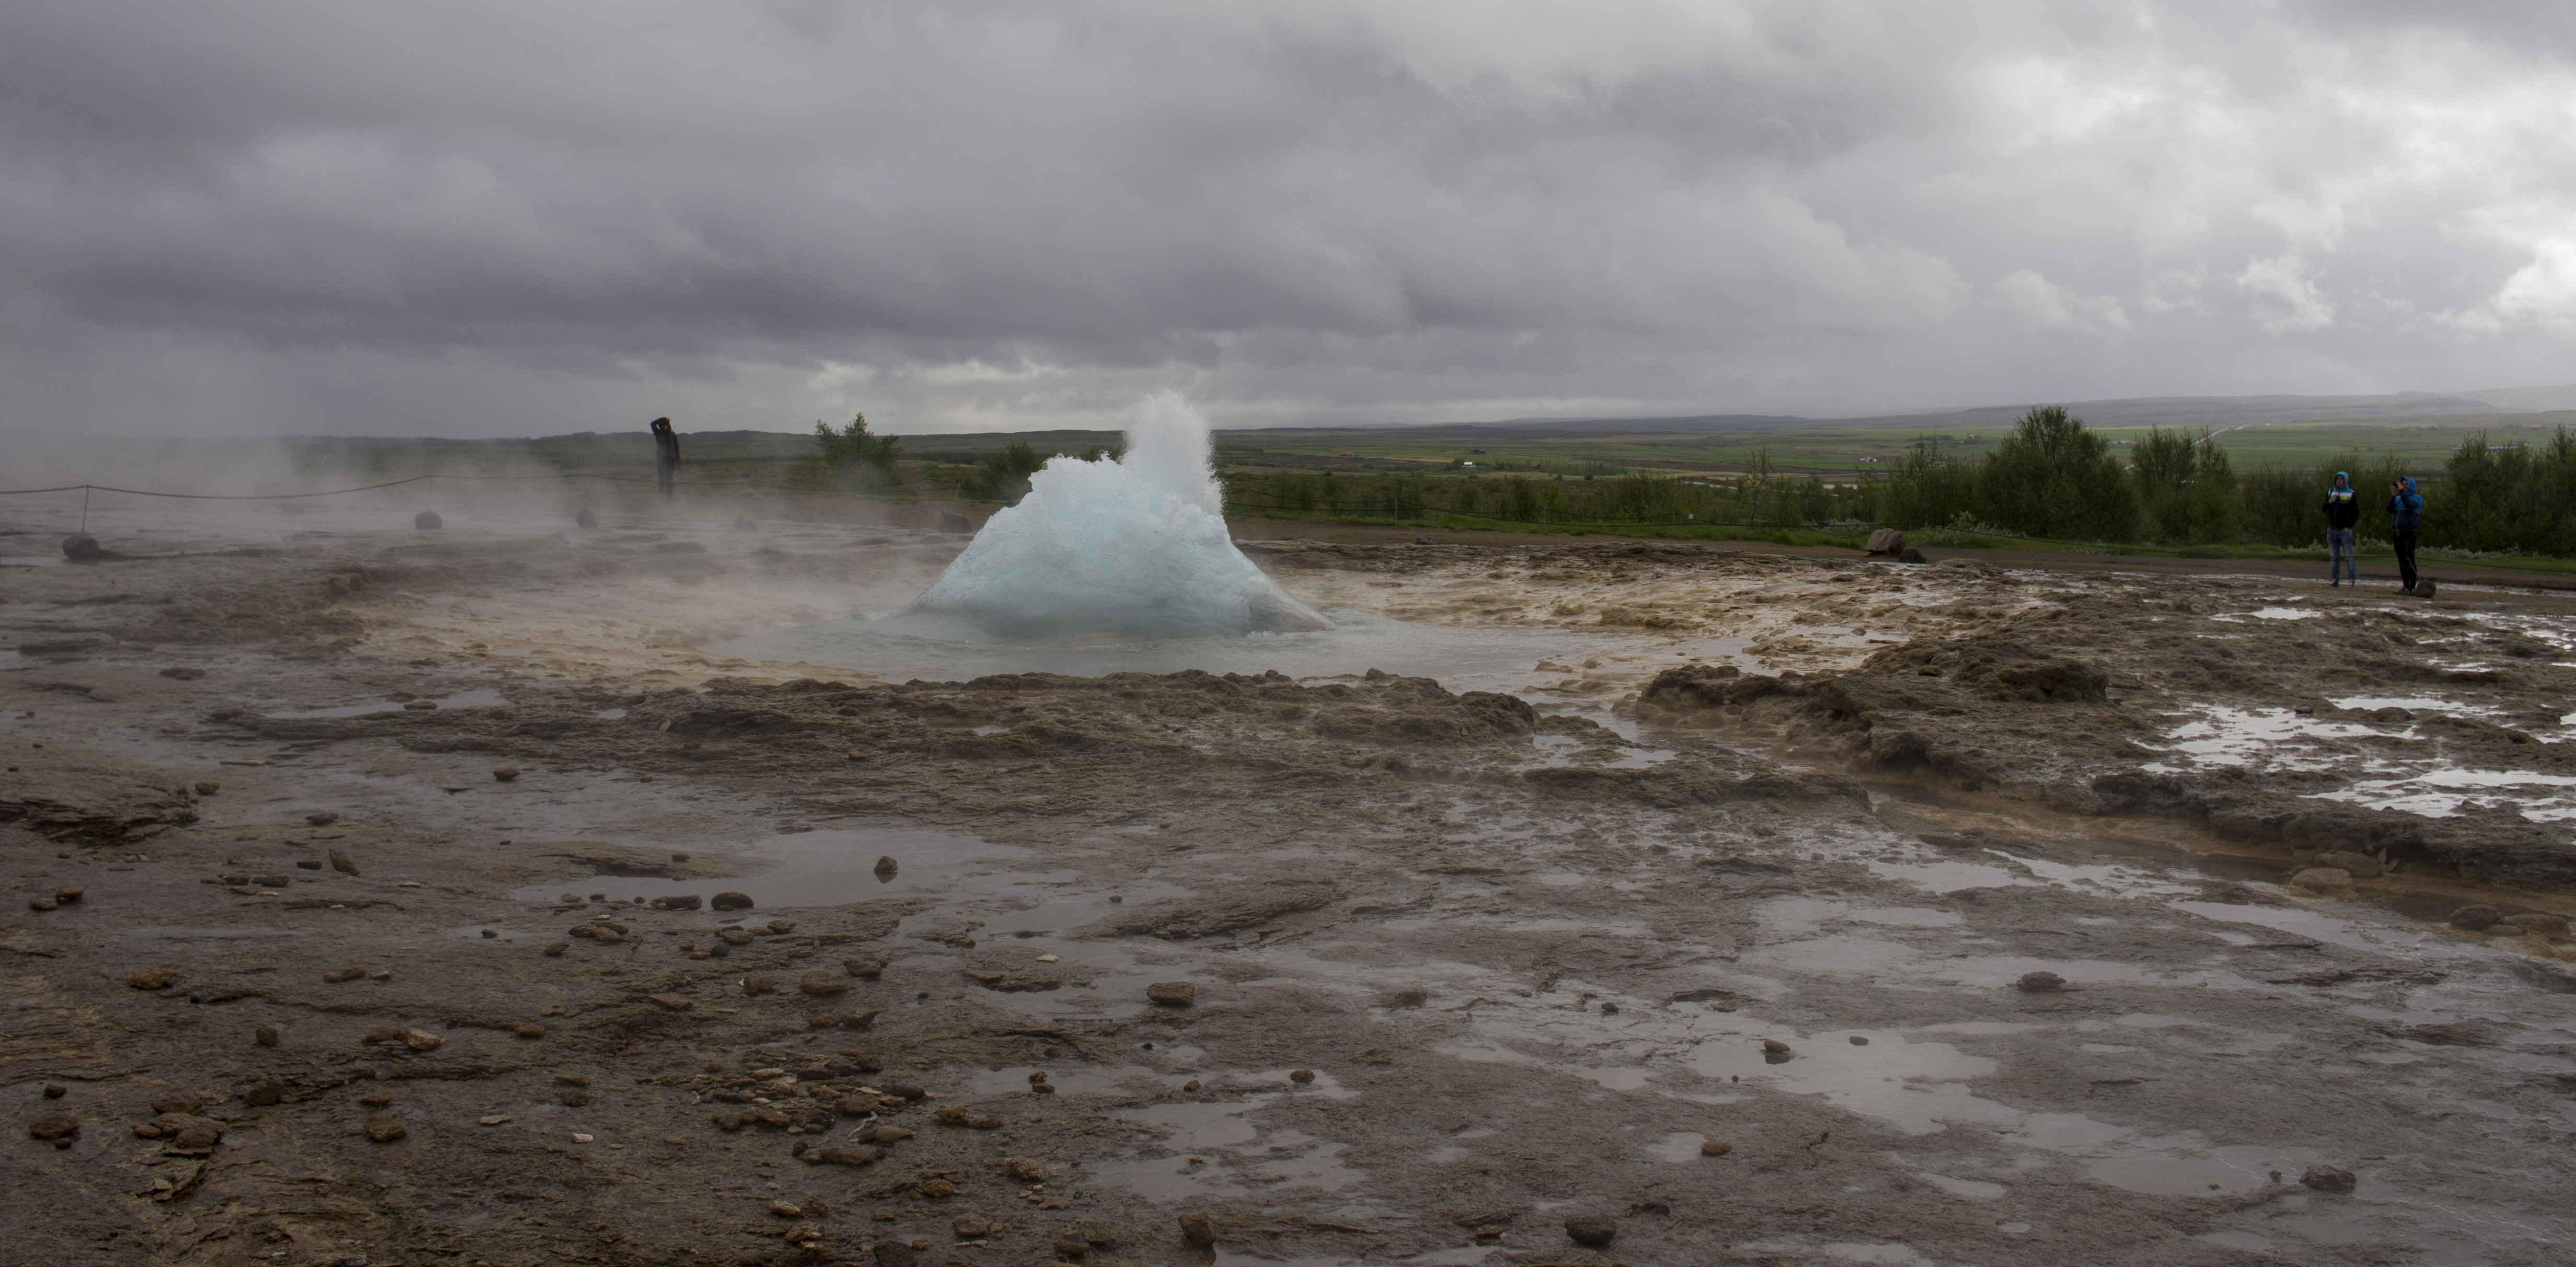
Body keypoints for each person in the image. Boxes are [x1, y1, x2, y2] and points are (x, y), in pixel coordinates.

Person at [2320, 471, 2360, 586]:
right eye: (2337, 479)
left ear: (2345, 481)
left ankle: (2351, 580)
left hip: (2344, 530)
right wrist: (2330, 502)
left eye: (2341, 479)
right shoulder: (2331, 492)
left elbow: (2355, 513)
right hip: (2332, 529)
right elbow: (2323, 509)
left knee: (2348, 556)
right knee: (2335, 557)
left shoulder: (2351, 494)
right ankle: (2335, 579)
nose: (2339, 481)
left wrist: (2349, 526)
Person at [2386, 475, 2423, 594]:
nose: (2404, 487)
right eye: (2403, 485)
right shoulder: (2398, 499)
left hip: (2409, 533)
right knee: (2401, 560)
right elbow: (2389, 509)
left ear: (2411, 487)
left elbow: (2409, 505)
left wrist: (2402, 492)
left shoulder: (2417, 499)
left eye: (2406, 485)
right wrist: (2393, 495)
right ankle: (2405, 586)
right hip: (2397, 532)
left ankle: (2412, 587)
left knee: (2409, 559)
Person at [650, 417, 681, 500]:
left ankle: (669, 497)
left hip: (671, 460)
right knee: (662, 479)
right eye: (661, 425)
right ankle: (662, 496)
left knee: (670, 479)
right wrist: (662, 419)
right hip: (661, 460)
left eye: (664, 425)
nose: (662, 427)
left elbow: (677, 448)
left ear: (668, 425)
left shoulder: (673, 435)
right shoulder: (658, 433)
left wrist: (678, 460)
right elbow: (653, 424)